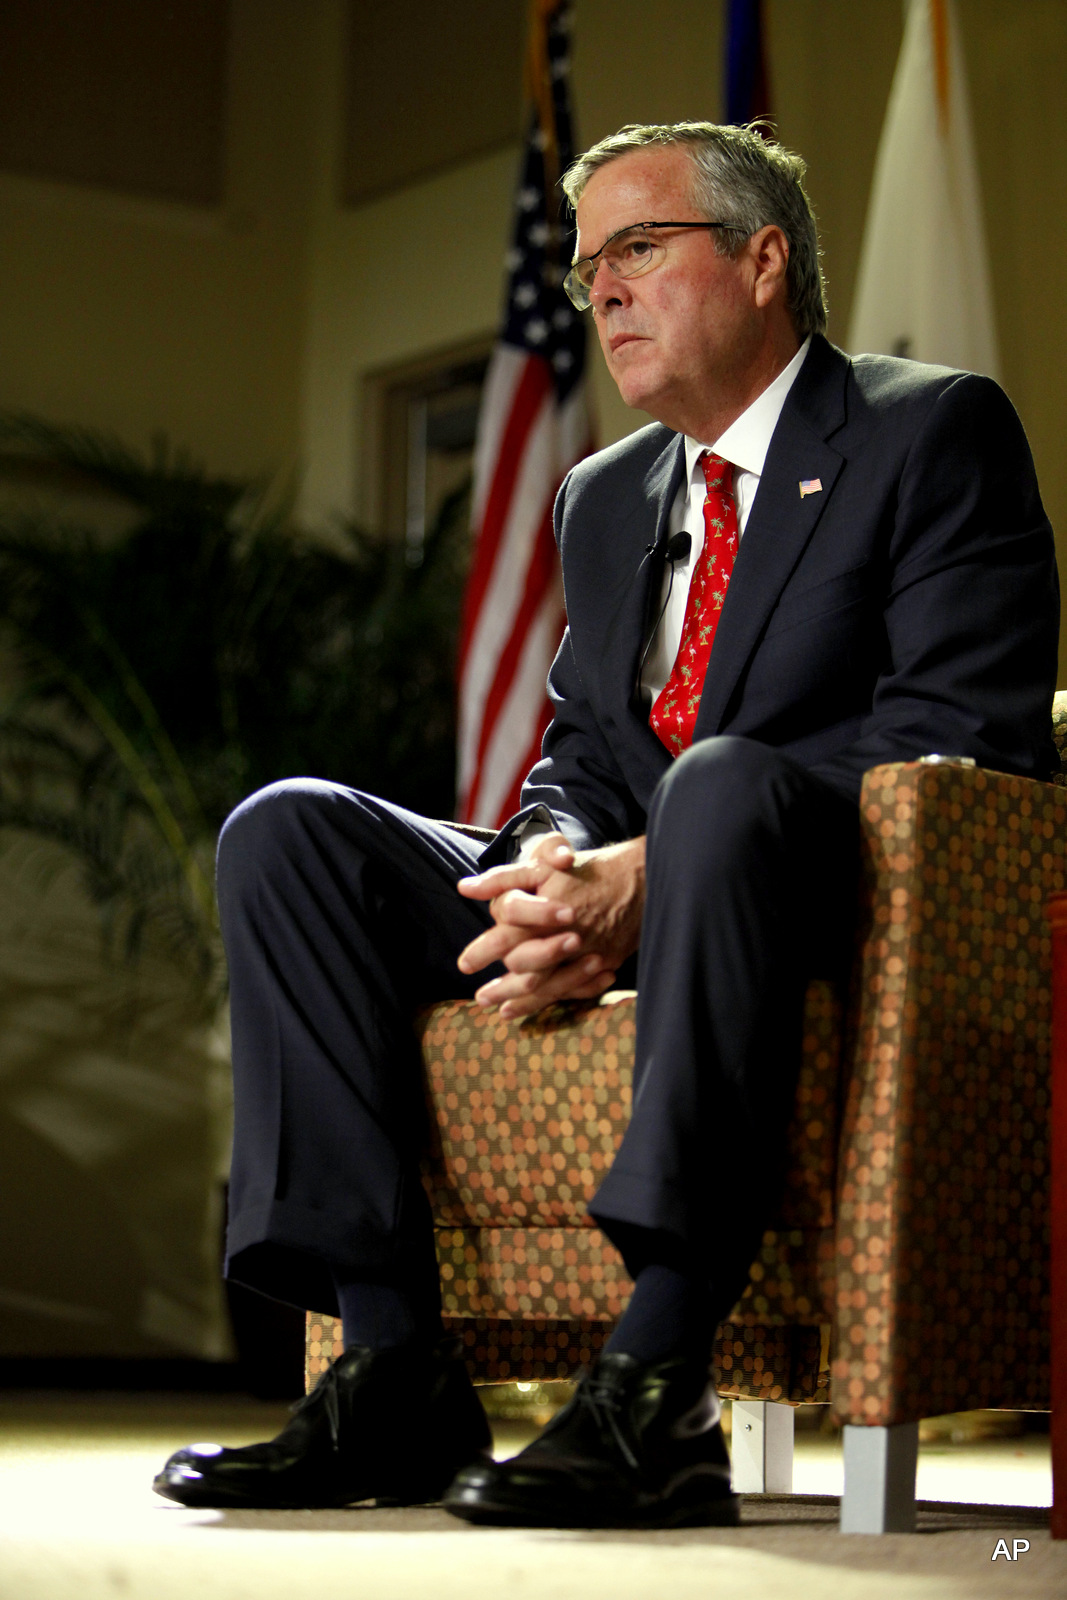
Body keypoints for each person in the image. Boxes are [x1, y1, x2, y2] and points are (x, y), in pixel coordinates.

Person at [154, 122, 1058, 1529]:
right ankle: (393, 1364)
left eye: (639, 249)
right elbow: (583, 748)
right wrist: (558, 865)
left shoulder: (926, 429)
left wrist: (655, 872)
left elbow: (961, 733)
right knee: (292, 833)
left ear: (765, 261)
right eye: (589, 272)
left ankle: (656, 1383)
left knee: (716, 788)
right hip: (656, 863)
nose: (607, 292)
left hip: (841, 883)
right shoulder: (606, 493)